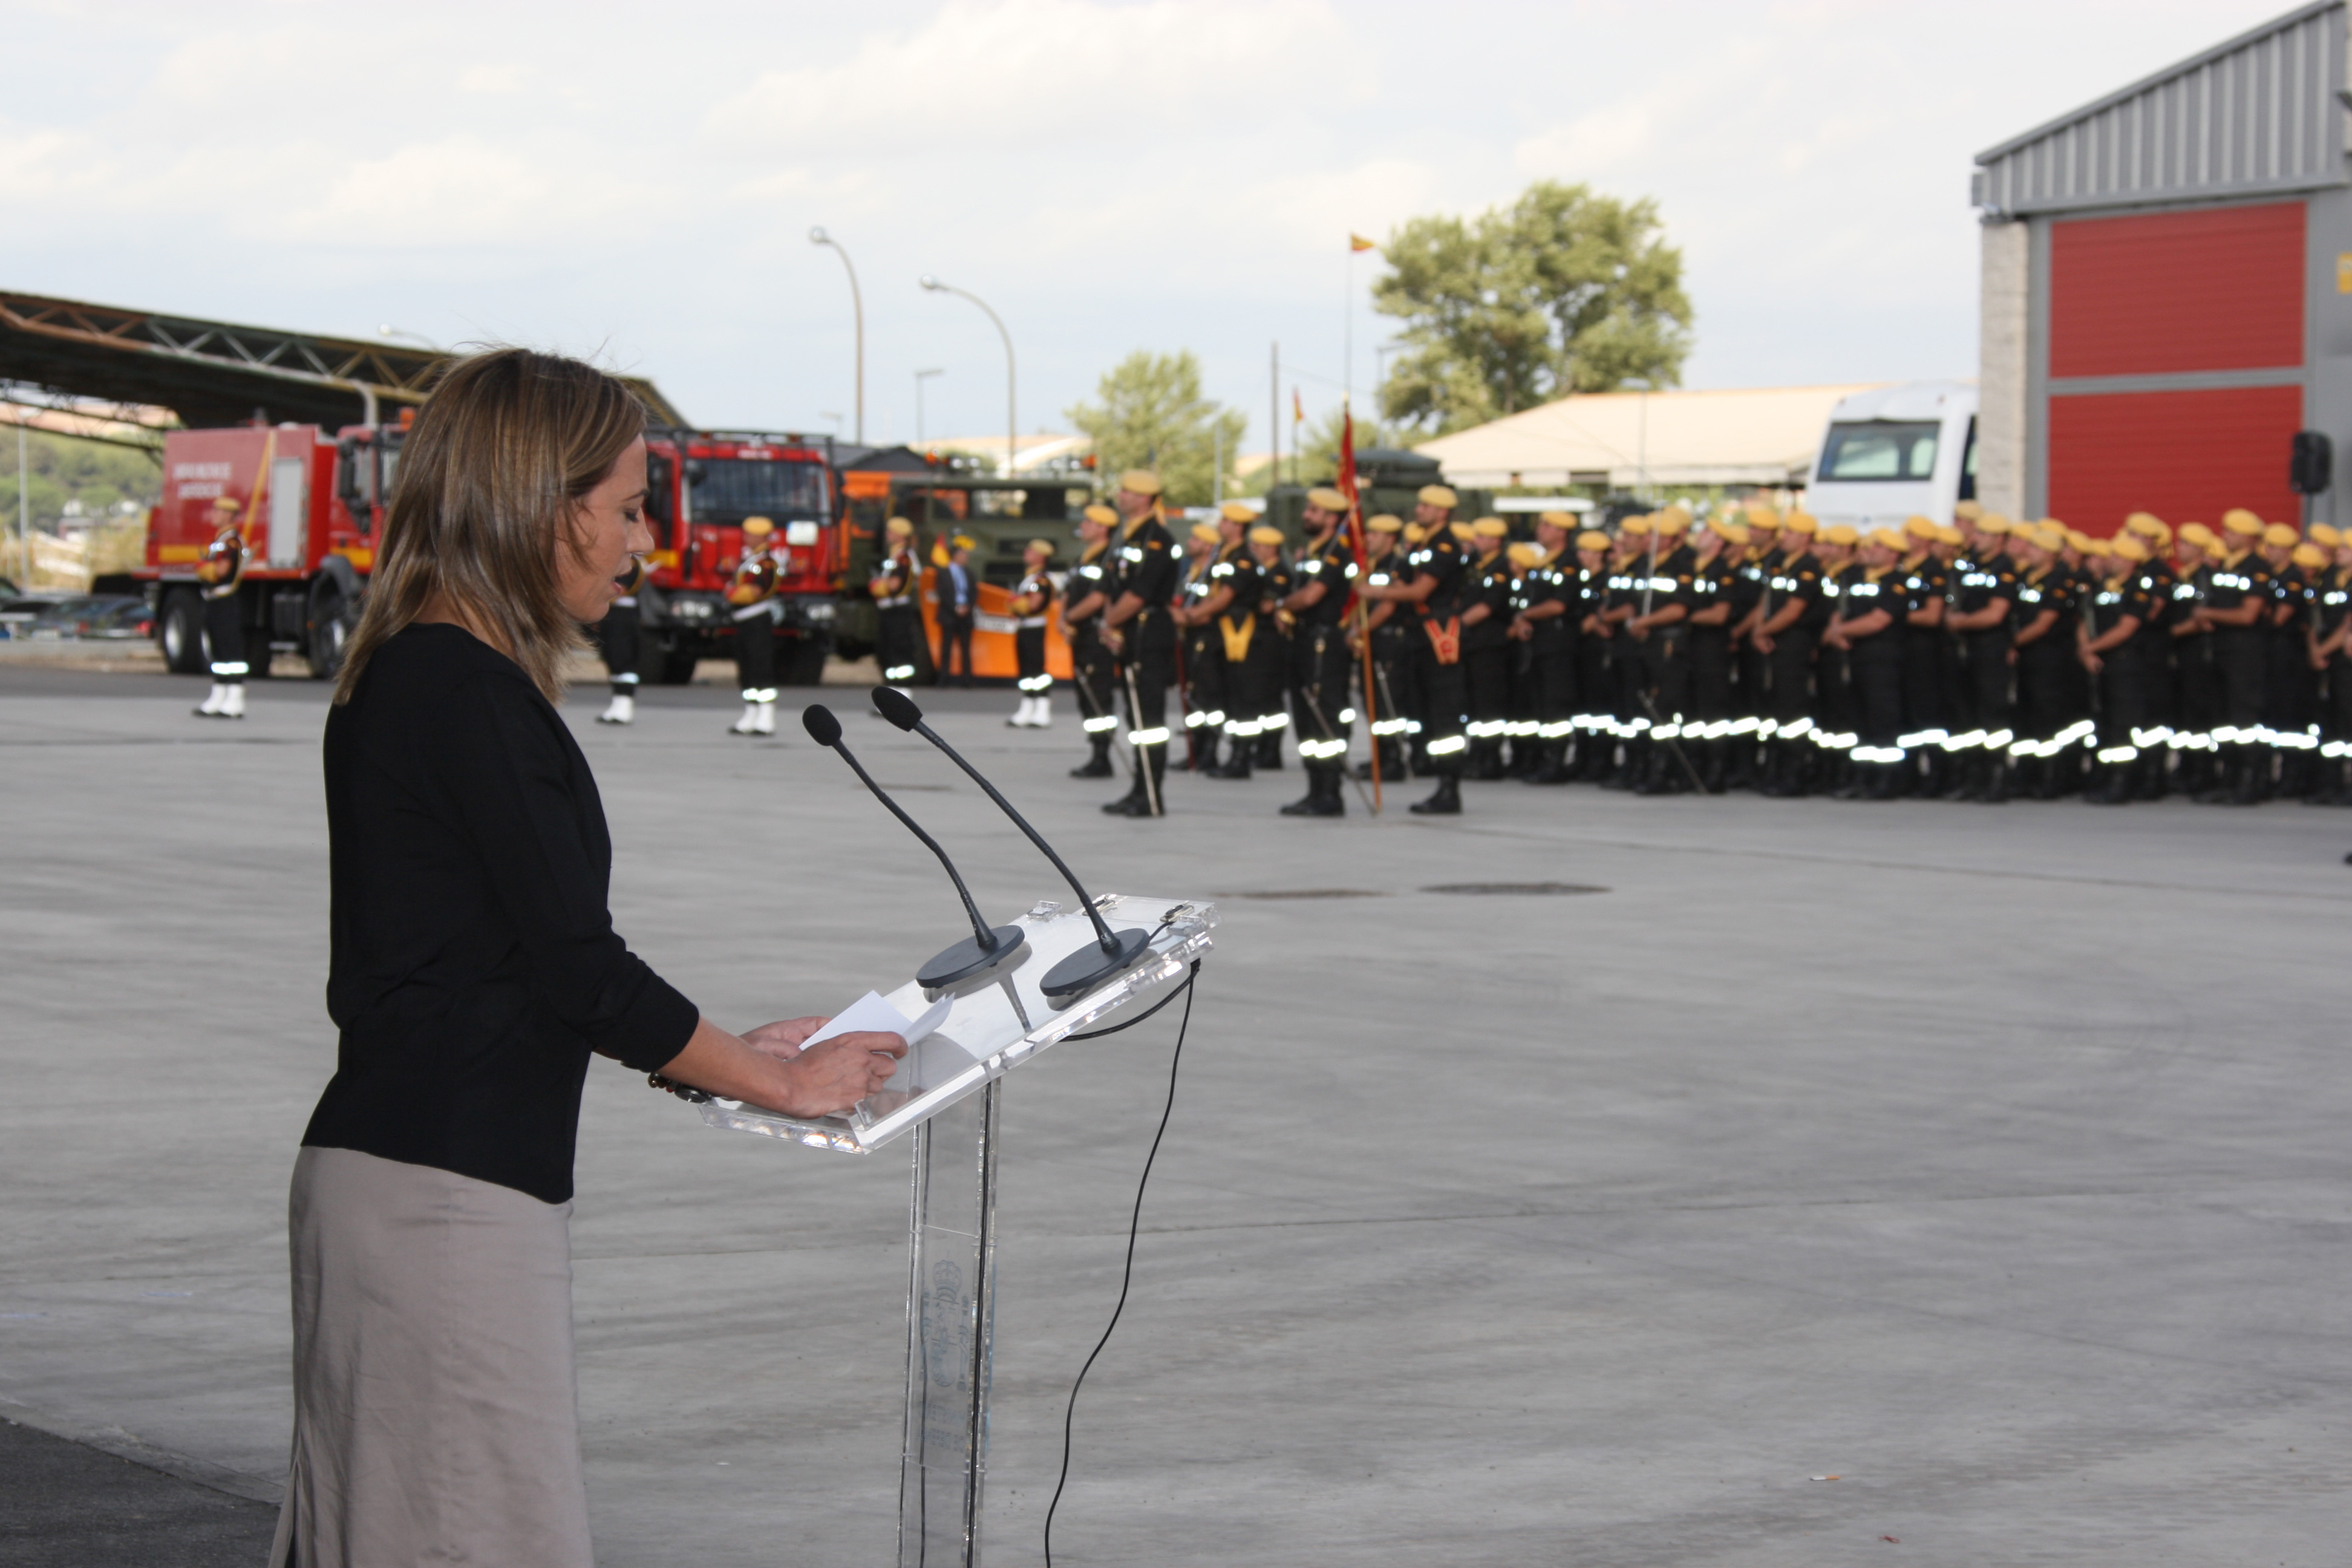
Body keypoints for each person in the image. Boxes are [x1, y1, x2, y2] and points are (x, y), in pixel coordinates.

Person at [275, 348, 906, 1568]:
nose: (642, 541)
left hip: (409, 1171)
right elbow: (577, 965)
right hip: (445, 1198)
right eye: (626, 508)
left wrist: (715, 1054)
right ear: (543, 507)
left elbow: (501, 958)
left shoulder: (421, 673)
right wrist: (775, 1081)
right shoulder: (465, 691)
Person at [1361, 483, 1469, 814]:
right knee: (1425, 711)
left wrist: (1377, 593)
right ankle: (1435, 774)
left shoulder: (1445, 545)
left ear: (1442, 512)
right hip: (1418, 636)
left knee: (1445, 713)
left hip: (1438, 635)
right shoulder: (1422, 545)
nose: (1418, 510)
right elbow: (1400, 581)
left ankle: (1449, 788)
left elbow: (1419, 591)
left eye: (1425, 506)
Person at [1097, 470, 1178, 816]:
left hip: (1149, 632)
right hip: (1130, 631)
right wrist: (1112, 625)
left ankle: (1151, 795)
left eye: (1129, 492)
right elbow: (1111, 586)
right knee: (1136, 717)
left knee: (1149, 721)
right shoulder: (1126, 537)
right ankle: (1139, 788)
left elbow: (1139, 594)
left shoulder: (1155, 539)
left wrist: (1109, 623)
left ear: (1145, 498)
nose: (1122, 496)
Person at [1281, 488, 1361, 816]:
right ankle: (1315, 788)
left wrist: (1282, 605)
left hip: (1323, 643)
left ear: (1330, 518)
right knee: (1306, 720)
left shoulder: (1334, 553)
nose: (1306, 515)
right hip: (1304, 640)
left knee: (1323, 717)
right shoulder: (1312, 552)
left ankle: (1330, 792)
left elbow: (1311, 596)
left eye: (1313, 511)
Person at [1354, 514, 1417, 784]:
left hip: (1389, 640)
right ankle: (1380, 756)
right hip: (1372, 639)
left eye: (1375, 534)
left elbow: (1388, 606)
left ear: (1390, 538)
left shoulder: (1397, 565)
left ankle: (1392, 759)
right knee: (1373, 703)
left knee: (1387, 702)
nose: (1368, 538)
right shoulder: (1372, 565)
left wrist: (1361, 630)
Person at [1063, 504, 1120, 777]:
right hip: (1081, 636)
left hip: (1096, 637)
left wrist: (1069, 617)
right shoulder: (1084, 558)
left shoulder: (1107, 559)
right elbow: (1069, 591)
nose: (1082, 526)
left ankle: (1102, 756)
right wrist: (1064, 620)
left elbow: (1098, 599)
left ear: (1102, 528)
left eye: (1088, 522)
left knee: (1098, 697)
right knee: (1086, 698)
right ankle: (1096, 752)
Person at [1459, 517, 1516, 781]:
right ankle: (1477, 754)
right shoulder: (1475, 565)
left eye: (1482, 537)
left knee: (1489, 706)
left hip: (1490, 646)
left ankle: (1490, 758)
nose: (1476, 541)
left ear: (1496, 541)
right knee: (1474, 704)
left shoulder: (1500, 569)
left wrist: (1456, 626)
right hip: (1473, 644)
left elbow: (1487, 607)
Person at [1175, 517, 1231, 771]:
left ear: (1209, 546)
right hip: (1191, 638)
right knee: (1194, 695)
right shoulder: (1193, 571)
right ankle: (1195, 750)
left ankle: (1209, 751)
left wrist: (1185, 617)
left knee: (1209, 697)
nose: (1191, 543)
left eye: (1196, 540)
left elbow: (1210, 609)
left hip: (1207, 639)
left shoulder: (1213, 572)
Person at [1242, 524, 1295, 770]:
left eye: (1258, 546)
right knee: (1258, 696)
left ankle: (1271, 750)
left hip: (1271, 640)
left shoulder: (1279, 574)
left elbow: (1267, 605)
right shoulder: (1262, 571)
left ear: (1271, 549)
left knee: (1271, 698)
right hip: (1258, 638)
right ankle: (1262, 747)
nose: (1252, 549)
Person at [194, 495, 250, 719]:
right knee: (217, 648)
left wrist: (203, 567)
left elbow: (221, 571)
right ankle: (219, 693)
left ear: (228, 515)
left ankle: (235, 695)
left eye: (218, 511)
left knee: (230, 648)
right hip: (213, 600)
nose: (214, 515)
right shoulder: (220, 539)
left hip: (226, 600)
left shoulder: (231, 542)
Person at [725, 515, 782, 735]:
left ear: (761, 537)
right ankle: (751, 712)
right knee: (746, 668)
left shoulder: (765, 563)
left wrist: (733, 593)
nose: (747, 538)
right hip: (743, 620)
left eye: (751, 534)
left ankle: (766, 715)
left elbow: (756, 590)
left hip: (757, 619)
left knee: (761, 666)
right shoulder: (750, 560)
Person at [1007, 538, 1057, 727]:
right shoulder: (1031, 577)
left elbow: (1034, 604)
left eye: (1031, 551)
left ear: (1041, 556)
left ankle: (1043, 709)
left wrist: (1016, 604)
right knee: (1026, 671)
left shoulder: (1041, 579)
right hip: (1024, 627)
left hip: (1035, 627)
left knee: (1037, 669)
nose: (1026, 553)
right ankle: (1027, 707)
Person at [869, 516, 924, 688]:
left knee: (899, 649)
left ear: (900, 535)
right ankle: (892, 684)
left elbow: (895, 584)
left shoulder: (903, 557)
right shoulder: (896, 554)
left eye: (890, 531)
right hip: (890, 609)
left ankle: (902, 685)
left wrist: (878, 586)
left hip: (897, 610)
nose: (887, 534)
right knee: (887, 649)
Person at [594, 554, 643, 725]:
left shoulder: (631, 562)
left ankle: (625, 701)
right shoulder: (614, 558)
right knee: (611, 657)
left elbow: (620, 589)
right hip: (611, 613)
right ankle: (617, 702)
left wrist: (595, 598)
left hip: (624, 615)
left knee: (623, 658)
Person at [937, 535, 978, 687]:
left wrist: (967, 607)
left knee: (966, 649)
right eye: (963, 554)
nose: (966, 557)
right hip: (949, 615)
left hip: (966, 615)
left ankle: (967, 679)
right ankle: (944, 678)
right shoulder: (944, 572)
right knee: (946, 648)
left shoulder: (969, 573)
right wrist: (955, 607)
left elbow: (974, 593)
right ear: (955, 555)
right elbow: (943, 594)